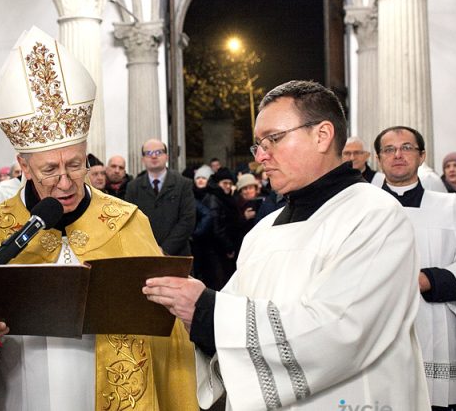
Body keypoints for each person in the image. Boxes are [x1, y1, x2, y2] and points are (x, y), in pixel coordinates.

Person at [0, 26, 197, 411]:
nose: (65, 182)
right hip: (20, 394)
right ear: (23, 165)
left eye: (76, 164)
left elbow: (167, 332)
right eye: (50, 169)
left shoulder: (127, 221)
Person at [144, 80, 429, 409]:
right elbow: (225, 320)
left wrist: (208, 311)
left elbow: (342, 329)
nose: (261, 156)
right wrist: (190, 314)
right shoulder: (263, 230)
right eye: (257, 145)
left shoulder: (375, 216)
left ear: (322, 135)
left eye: (273, 139)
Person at [375, 126, 456, 410]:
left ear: (422, 156)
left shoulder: (455, 208)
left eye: (407, 147)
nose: (398, 155)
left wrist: (429, 280)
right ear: (379, 159)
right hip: (376, 326)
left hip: (436, 323)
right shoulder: (360, 210)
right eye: (389, 149)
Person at [126, 139, 196, 256]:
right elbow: (130, 221)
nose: (154, 156)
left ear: (166, 156)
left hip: (177, 255)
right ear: (143, 159)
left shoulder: (183, 184)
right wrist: (148, 248)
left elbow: (187, 220)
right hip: (144, 255)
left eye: (158, 152)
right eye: (148, 153)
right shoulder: (133, 187)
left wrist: (165, 249)